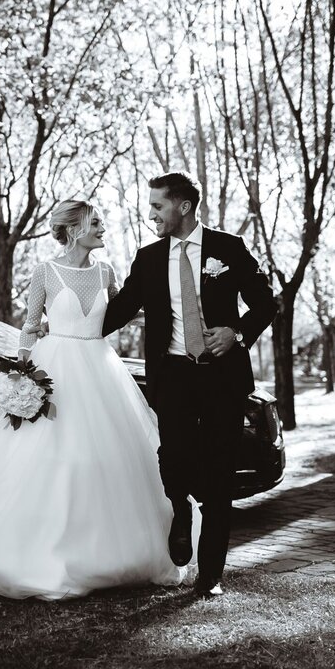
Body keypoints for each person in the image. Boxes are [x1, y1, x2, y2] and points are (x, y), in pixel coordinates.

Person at [0, 200, 189, 600]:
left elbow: (124, 311)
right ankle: (34, 555)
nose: (103, 228)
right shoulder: (46, 272)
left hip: (101, 368)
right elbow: (30, 327)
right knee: (48, 458)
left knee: (107, 458)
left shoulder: (106, 271)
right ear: (73, 230)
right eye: (96, 222)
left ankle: (111, 552)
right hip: (55, 368)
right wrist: (19, 377)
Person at [102, 172, 277, 598]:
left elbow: (265, 302)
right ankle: (180, 509)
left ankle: (211, 575)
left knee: (219, 473)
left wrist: (235, 333)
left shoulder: (227, 249)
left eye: (157, 206)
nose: (151, 215)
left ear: (182, 206)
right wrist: (65, 330)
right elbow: (121, 308)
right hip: (174, 375)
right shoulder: (147, 258)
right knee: (174, 456)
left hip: (222, 377)